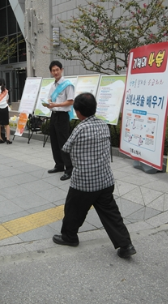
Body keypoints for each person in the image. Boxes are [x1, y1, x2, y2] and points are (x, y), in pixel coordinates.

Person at [52, 93, 136, 259]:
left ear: (78, 111)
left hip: (84, 181)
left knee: (73, 209)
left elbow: (66, 148)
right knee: (111, 213)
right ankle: (126, 244)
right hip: (104, 179)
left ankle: (70, 237)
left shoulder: (80, 128)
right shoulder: (104, 125)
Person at [45, 60, 74, 181]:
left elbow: (70, 101)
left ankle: (69, 169)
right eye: (53, 70)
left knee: (64, 143)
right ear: (51, 72)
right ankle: (59, 165)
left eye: (57, 69)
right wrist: (49, 103)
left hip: (62, 116)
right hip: (54, 115)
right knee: (55, 141)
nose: (55, 72)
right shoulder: (52, 86)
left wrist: (57, 104)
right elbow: (50, 98)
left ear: (62, 70)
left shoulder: (68, 85)